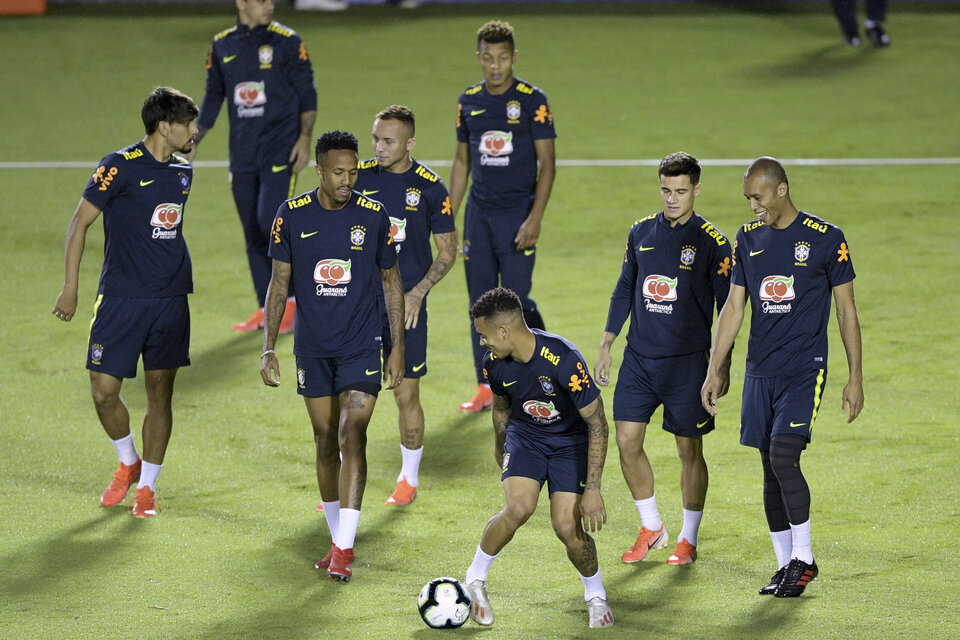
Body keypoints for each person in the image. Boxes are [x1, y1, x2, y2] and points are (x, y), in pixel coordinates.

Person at [701, 157, 864, 597]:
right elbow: (734, 308)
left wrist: (855, 377)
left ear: (781, 191)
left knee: (783, 457)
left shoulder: (827, 239)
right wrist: (716, 368)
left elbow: (847, 309)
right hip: (759, 371)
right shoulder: (747, 239)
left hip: (803, 370)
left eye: (758, 197)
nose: (753, 206)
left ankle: (804, 558)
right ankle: (783, 567)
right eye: (747, 198)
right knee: (768, 469)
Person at [260, 131, 404, 582]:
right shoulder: (291, 215)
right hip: (313, 348)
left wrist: (396, 347)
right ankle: (336, 538)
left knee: (350, 433)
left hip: (361, 345)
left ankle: (343, 549)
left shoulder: (374, 216)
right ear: (319, 171)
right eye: (339, 172)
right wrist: (268, 348)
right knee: (324, 439)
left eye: (354, 171)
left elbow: (392, 283)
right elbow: (279, 284)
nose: (347, 180)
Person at [52, 87, 200, 518]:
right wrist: (70, 287)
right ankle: (128, 460)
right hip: (119, 298)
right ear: (164, 126)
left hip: (170, 300)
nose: (194, 131)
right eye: (187, 124)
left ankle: (147, 487)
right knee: (103, 391)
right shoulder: (117, 166)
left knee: (160, 395)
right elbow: (79, 223)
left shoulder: (183, 172)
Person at [594, 152, 732, 567]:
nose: (672, 199)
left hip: (687, 364)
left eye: (681, 191)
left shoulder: (713, 242)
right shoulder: (640, 233)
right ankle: (651, 526)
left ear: (697, 189)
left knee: (689, 450)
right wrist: (607, 342)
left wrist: (719, 367)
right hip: (639, 359)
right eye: (665, 190)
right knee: (625, 441)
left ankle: (687, 538)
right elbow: (624, 288)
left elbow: (729, 309)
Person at [462, 287, 614, 629]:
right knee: (518, 507)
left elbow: (598, 423)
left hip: (569, 444)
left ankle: (595, 595)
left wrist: (593, 488)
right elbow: (501, 405)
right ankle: (475, 580)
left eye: (484, 336)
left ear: (504, 331)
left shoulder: (564, 359)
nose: (482, 343)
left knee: (566, 527)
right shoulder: (494, 364)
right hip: (526, 438)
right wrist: (500, 444)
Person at [450, 20, 556, 412]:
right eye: (488, 58)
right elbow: (462, 162)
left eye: (503, 58)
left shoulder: (532, 100)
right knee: (479, 305)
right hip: (479, 216)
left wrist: (535, 218)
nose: (496, 65)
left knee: (515, 304)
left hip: (516, 216)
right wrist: (447, 217)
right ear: (479, 59)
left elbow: (548, 164)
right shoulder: (468, 101)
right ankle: (486, 383)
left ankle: (541, 366)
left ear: (514, 58)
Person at [354, 105, 458, 506]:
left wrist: (419, 291)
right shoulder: (358, 178)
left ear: (410, 143)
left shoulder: (430, 188)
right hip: (359, 304)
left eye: (388, 141)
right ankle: (348, 479)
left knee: (405, 394)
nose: (379, 147)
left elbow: (448, 251)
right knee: (354, 396)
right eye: (376, 139)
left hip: (406, 308)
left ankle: (408, 479)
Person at [194, 0, 317, 333]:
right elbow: (212, 98)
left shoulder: (289, 42)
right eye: (262, 0)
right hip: (243, 155)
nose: (270, 5)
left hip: (281, 150)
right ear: (242, 3)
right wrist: (193, 141)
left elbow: (308, 94)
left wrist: (304, 138)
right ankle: (266, 309)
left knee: (270, 225)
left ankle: (291, 303)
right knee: (251, 230)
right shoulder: (221, 45)